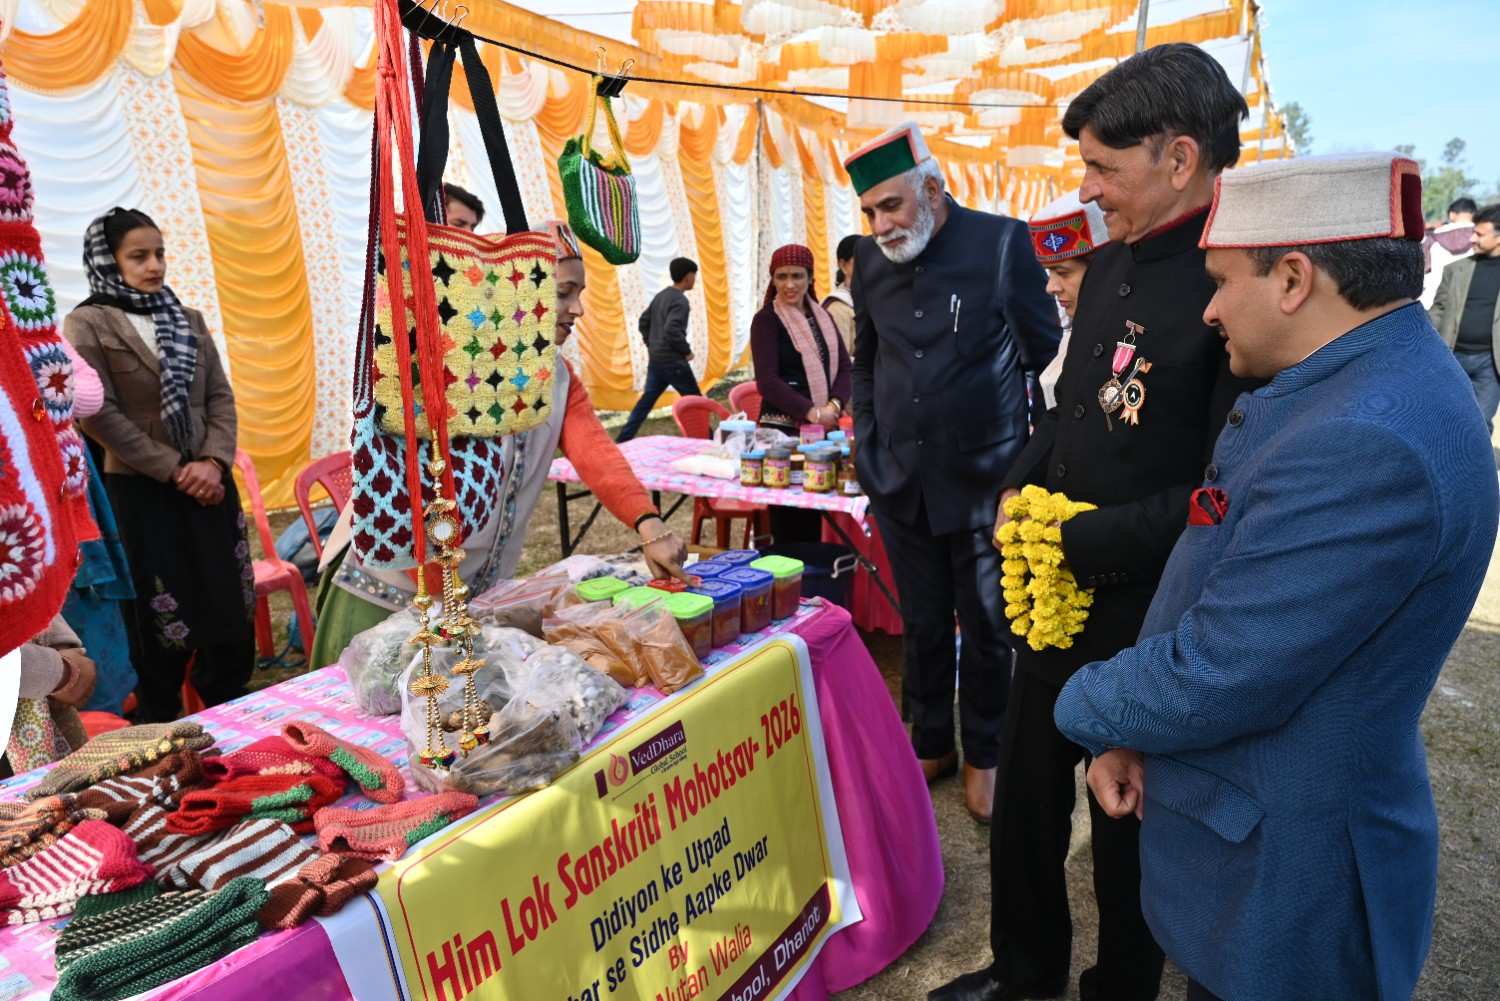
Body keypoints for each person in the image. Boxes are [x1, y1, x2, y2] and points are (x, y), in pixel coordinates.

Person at [1055, 152, 1498, 1001]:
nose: (1211, 309)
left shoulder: (1365, 437)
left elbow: (1221, 668)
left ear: (1293, 279)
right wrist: (1136, 733)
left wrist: (1080, 702)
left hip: (1293, 882)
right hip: (1266, 846)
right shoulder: (1365, 381)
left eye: (1222, 282)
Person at [932, 43, 1255, 1001]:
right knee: (1028, 803)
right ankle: (1024, 974)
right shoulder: (1108, 262)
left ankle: (1120, 987)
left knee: (1126, 831)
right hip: (1055, 602)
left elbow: (1220, 489)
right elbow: (1071, 410)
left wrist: (1074, 540)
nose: (1087, 188)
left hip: (1152, 612)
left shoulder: (1231, 282)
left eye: (1103, 168)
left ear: (1179, 158)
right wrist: (1017, 489)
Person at [309, 221, 690, 666]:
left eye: (579, 294)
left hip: (464, 603)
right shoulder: (449, 357)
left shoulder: (557, 377)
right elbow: (413, 480)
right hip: (386, 594)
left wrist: (650, 525)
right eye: (563, 293)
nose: (578, 310)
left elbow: (596, 453)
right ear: (517, 291)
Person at [847, 122, 1060, 823]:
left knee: (990, 624)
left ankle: (987, 753)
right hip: (900, 481)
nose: (881, 225)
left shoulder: (1002, 244)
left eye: (892, 206)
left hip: (985, 484)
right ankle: (932, 739)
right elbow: (866, 363)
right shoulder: (869, 263)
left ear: (933, 190)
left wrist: (1023, 471)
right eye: (870, 212)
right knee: (924, 621)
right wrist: (868, 447)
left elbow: (1044, 360)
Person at [65, 208, 255, 722]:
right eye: (139, 256)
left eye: (159, 254)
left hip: (211, 487)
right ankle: (164, 721)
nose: (154, 266)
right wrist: (175, 469)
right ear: (109, 261)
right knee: (158, 615)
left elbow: (220, 397)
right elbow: (98, 413)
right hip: (142, 491)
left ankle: (231, 709)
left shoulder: (187, 319)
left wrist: (212, 461)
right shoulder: (88, 323)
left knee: (226, 603)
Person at [751, 243, 853, 542]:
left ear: (810, 278)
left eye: (797, 275)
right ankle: (789, 569)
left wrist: (833, 406)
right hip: (782, 438)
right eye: (781, 276)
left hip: (821, 434)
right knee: (789, 519)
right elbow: (767, 381)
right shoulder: (767, 320)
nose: (789, 284)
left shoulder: (823, 317)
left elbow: (845, 368)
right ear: (773, 280)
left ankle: (814, 570)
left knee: (815, 516)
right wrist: (811, 412)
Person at [56, 339, 137, 713]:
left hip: (65, 498)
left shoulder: (28, 325)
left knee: (89, 626)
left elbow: (89, 396)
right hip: (27, 508)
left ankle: (105, 719)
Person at [1027, 191, 1113, 408]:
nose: (1051, 287)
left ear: (1101, 267)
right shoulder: (1074, 334)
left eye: (1063, 273)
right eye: (1049, 272)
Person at [1430, 203, 1500, 430]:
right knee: (1444, 418)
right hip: (1453, 357)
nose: (1472, 239)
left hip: (1491, 364)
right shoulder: (1456, 270)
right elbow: (1439, 309)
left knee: (1480, 424)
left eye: (1479, 234)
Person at [617, 258, 702, 443]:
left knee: (645, 403)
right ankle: (708, 439)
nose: (695, 279)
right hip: (673, 361)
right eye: (694, 275)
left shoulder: (661, 296)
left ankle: (623, 439)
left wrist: (652, 344)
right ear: (688, 276)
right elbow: (672, 329)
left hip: (657, 360)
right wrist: (686, 351)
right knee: (696, 403)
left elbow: (643, 321)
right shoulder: (680, 301)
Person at [6, 615, 96, 775]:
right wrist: (59, 671)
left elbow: (37, 602)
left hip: (48, 695)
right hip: (38, 681)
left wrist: (60, 643)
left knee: (78, 781)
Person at [1420, 195, 1476, 307]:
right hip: (1470, 298)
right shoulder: (1483, 237)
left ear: (1452, 214)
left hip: (1434, 298)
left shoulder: (1433, 237)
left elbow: (1423, 267)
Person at [821, 234, 861, 350]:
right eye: (861, 260)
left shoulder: (872, 300)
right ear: (843, 265)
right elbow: (839, 357)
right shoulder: (837, 308)